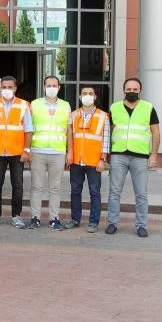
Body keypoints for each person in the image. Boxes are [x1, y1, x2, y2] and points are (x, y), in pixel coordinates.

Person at [106, 78, 160, 238]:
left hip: (140, 157)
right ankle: (112, 223)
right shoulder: (114, 107)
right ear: (123, 90)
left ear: (140, 91)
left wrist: (154, 154)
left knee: (141, 193)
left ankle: (141, 225)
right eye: (129, 89)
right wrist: (107, 155)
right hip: (118, 155)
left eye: (135, 89)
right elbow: (109, 132)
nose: (132, 92)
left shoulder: (148, 107)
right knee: (114, 192)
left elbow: (156, 132)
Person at [0, 76, 33, 229]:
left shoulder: (24, 105)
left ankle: (16, 216)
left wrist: (26, 150)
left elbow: (28, 130)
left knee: (17, 185)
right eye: (4, 87)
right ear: (0, 89)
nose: (6, 90)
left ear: (15, 88)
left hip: (17, 152)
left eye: (9, 87)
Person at [26, 76, 71, 231]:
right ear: (44, 87)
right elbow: (28, 128)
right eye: (48, 85)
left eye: (54, 85)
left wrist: (69, 152)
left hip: (58, 151)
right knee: (36, 186)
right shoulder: (34, 104)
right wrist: (27, 149)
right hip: (37, 151)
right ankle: (35, 217)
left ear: (59, 87)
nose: (51, 88)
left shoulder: (66, 105)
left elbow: (69, 131)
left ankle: (54, 218)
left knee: (55, 188)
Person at [64, 85, 109, 233]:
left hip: (94, 161)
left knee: (94, 192)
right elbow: (70, 137)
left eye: (90, 93)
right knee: (75, 190)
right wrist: (69, 154)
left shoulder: (103, 116)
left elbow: (106, 139)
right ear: (80, 97)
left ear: (95, 97)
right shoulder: (73, 115)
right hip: (76, 160)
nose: (87, 96)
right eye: (84, 93)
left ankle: (93, 222)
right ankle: (75, 219)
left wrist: (103, 159)